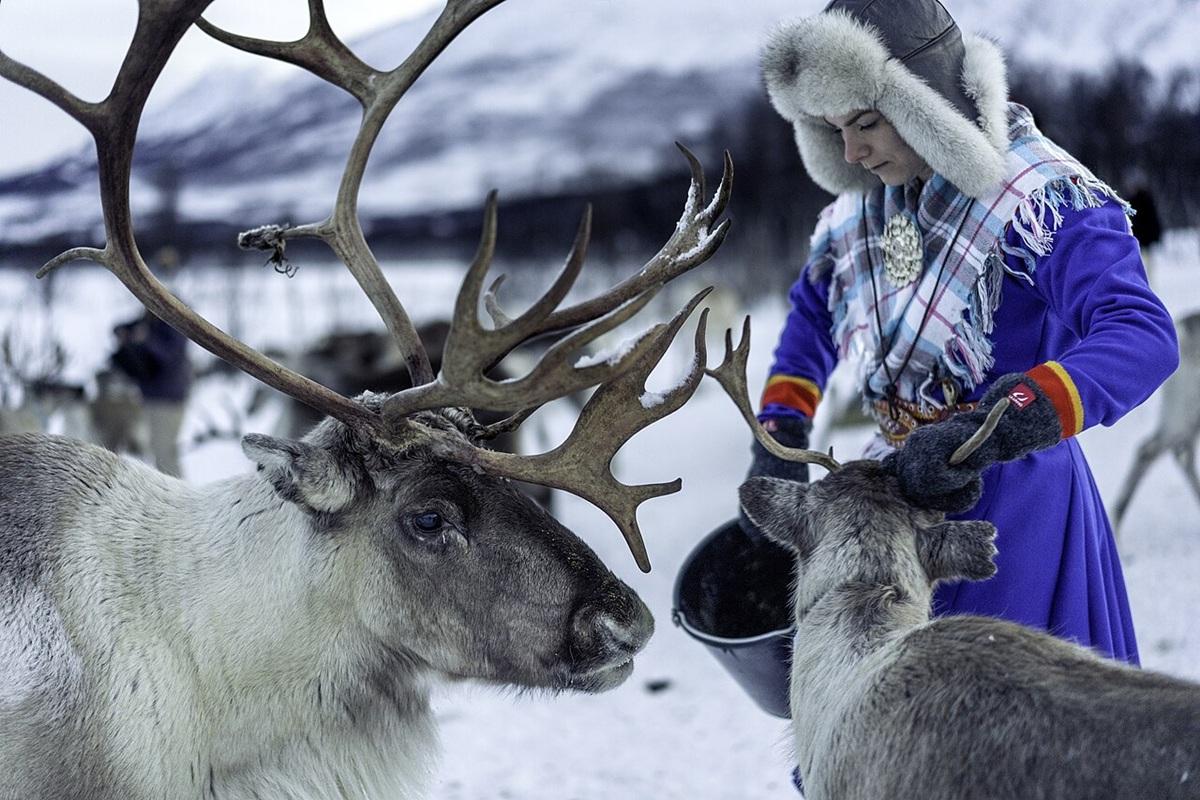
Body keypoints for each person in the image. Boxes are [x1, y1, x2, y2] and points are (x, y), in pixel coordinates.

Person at [741, 0, 1178, 674]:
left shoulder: (1041, 199)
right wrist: (781, 428)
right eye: (833, 130)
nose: (850, 152)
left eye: (865, 124)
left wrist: (1010, 420)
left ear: (926, 105)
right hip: (892, 499)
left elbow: (1143, 334)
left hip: (1009, 508)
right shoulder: (864, 205)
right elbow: (811, 317)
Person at [110, 308, 192, 477]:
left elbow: (170, 354)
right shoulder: (150, 317)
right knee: (156, 449)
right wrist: (126, 334)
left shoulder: (176, 321)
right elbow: (121, 328)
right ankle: (170, 493)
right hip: (151, 397)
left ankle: (176, 497)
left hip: (168, 400)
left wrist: (146, 339)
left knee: (164, 452)